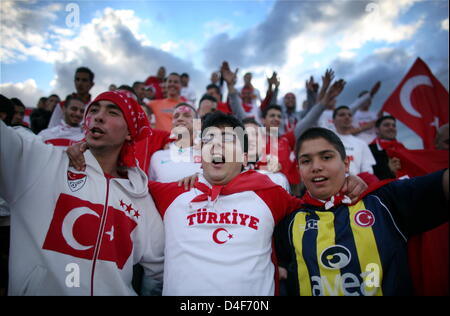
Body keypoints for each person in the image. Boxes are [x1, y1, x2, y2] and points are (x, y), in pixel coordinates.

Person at [147, 111, 367, 296]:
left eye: (227, 140)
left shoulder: (271, 194)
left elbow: (319, 210)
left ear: (244, 158)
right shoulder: (170, 194)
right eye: (208, 140)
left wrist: (345, 183)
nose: (216, 146)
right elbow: (120, 182)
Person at [0, 90, 164, 295]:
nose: (98, 116)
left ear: (130, 131)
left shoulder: (140, 197)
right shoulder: (39, 162)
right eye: (93, 110)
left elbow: (158, 271)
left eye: (113, 112)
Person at [275, 127, 449, 296]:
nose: (316, 167)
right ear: (299, 171)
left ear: (346, 163)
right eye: (306, 161)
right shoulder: (289, 219)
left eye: (326, 157)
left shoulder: (385, 201)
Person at [149, 103, 202, 182]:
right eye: (176, 116)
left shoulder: (208, 156)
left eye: (187, 115)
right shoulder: (157, 156)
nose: (180, 119)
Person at [332, 105, 377, 180]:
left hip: (356, 188)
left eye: (349, 115)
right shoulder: (326, 140)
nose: (347, 117)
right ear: (333, 120)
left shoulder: (362, 143)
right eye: (342, 115)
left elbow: (367, 171)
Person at [369, 116, 406, 180]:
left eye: (394, 125)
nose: (391, 127)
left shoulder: (402, 148)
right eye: (387, 125)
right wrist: (389, 170)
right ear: (377, 129)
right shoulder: (369, 150)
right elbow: (371, 176)